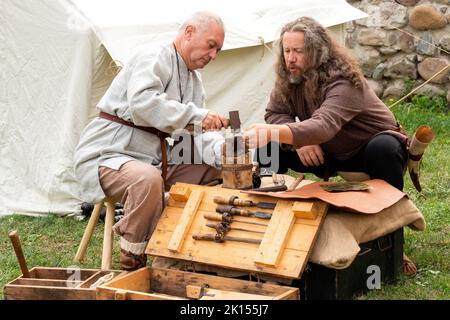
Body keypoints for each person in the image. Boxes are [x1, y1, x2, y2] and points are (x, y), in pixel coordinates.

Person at [243, 16, 416, 276]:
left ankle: (392, 241)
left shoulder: (344, 79)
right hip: (327, 152)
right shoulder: (289, 77)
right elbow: (275, 113)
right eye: (287, 51)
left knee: (383, 148)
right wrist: (298, 141)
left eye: (298, 51)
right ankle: (266, 228)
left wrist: (290, 133)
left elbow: (325, 125)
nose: (291, 58)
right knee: (271, 147)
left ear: (317, 52)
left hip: (367, 150)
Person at [74, 11, 228, 271]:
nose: (213, 55)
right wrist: (198, 116)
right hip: (110, 153)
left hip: (154, 160)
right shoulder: (154, 55)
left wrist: (224, 149)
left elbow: (197, 136)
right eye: (211, 45)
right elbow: (143, 104)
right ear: (189, 32)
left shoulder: (194, 81)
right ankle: (134, 258)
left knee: (212, 167)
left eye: (218, 50)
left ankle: (176, 241)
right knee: (146, 180)